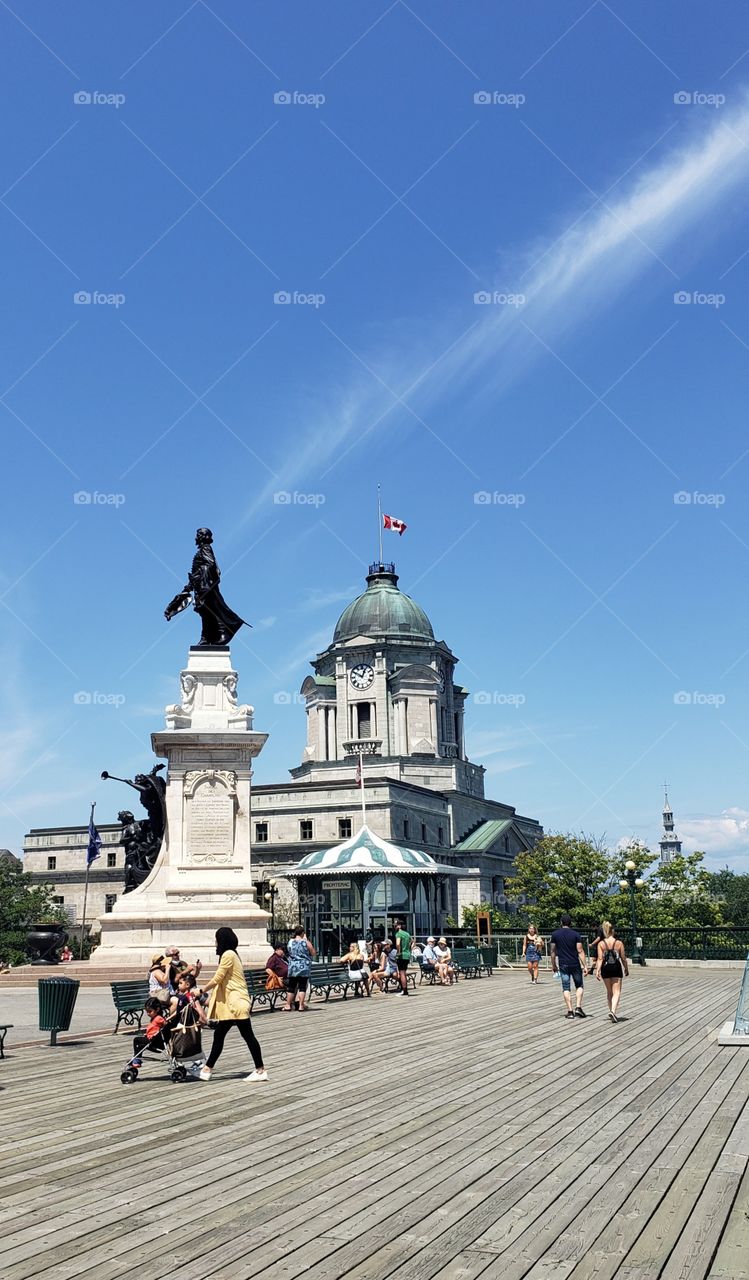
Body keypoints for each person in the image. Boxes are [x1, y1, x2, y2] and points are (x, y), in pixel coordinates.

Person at [196, 927, 267, 1082]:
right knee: (221, 1034)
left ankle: (260, 1070)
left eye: (216, 939)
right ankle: (207, 1069)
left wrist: (200, 991)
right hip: (233, 1004)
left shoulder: (228, 955)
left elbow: (218, 977)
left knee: (247, 1036)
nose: (215, 943)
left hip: (236, 1003)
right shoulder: (232, 954)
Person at [550, 913, 589, 1019]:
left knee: (566, 987)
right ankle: (578, 1007)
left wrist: (553, 964)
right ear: (570, 923)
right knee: (579, 985)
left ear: (561, 923)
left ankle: (570, 1011)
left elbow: (553, 951)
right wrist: (585, 965)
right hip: (575, 963)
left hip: (563, 964)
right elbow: (580, 951)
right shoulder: (576, 934)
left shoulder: (555, 934)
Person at [595, 922, 629, 1022]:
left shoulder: (601, 944)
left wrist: (597, 970)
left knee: (609, 992)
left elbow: (600, 958)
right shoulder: (619, 943)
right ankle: (613, 1011)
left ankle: (611, 1010)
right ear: (612, 930)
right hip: (616, 968)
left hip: (605, 968)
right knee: (617, 991)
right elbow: (623, 958)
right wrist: (626, 968)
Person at [283, 927, 316, 1012]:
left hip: (293, 966)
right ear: (302, 933)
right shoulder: (305, 942)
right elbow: (313, 953)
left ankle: (288, 1005)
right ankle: (301, 1005)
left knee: (291, 986)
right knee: (302, 986)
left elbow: (289, 952)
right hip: (304, 967)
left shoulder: (290, 942)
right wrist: (306, 940)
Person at [132, 998, 170, 1066]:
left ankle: (137, 1058)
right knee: (140, 1044)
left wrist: (165, 1025)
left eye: (150, 1011)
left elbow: (165, 1024)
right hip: (151, 1039)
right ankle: (137, 1057)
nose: (148, 1013)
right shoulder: (155, 1018)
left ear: (157, 1009)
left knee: (136, 1040)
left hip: (154, 1042)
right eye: (147, 1011)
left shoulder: (159, 1018)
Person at [393, 918, 412, 997]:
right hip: (407, 955)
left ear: (399, 926)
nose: (394, 926)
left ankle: (404, 991)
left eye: (395, 925)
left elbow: (397, 943)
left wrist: (398, 952)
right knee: (404, 972)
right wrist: (409, 949)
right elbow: (412, 941)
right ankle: (404, 990)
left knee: (402, 973)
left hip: (402, 956)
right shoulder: (407, 934)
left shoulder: (398, 934)